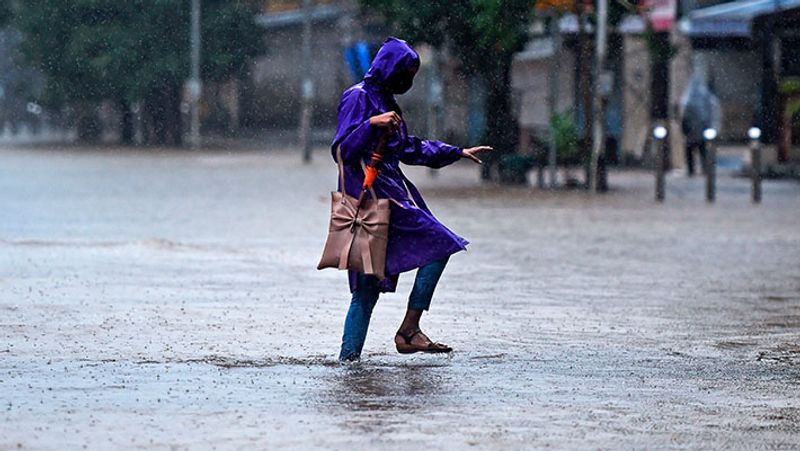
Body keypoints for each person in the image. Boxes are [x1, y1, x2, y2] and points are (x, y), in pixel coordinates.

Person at [331, 37, 492, 362]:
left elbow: (409, 148)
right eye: (405, 72)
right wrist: (370, 124)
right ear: (390, 69)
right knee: (371, 286)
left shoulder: (389, 102)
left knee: (434, 248)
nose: (408, 81)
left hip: (393, 198)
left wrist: (455, 152)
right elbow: (342, 150)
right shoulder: (357, 97)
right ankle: (360, 358)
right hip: (370, 203)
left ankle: (362, 363)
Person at [680, 75, 721, 177]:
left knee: (698, 151)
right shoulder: (697, 98)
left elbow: (712, 113)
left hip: (698, 131)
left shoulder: (700, 98)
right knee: (698, 151)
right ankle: (696, 170)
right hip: (696, 131)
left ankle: (696, 170)